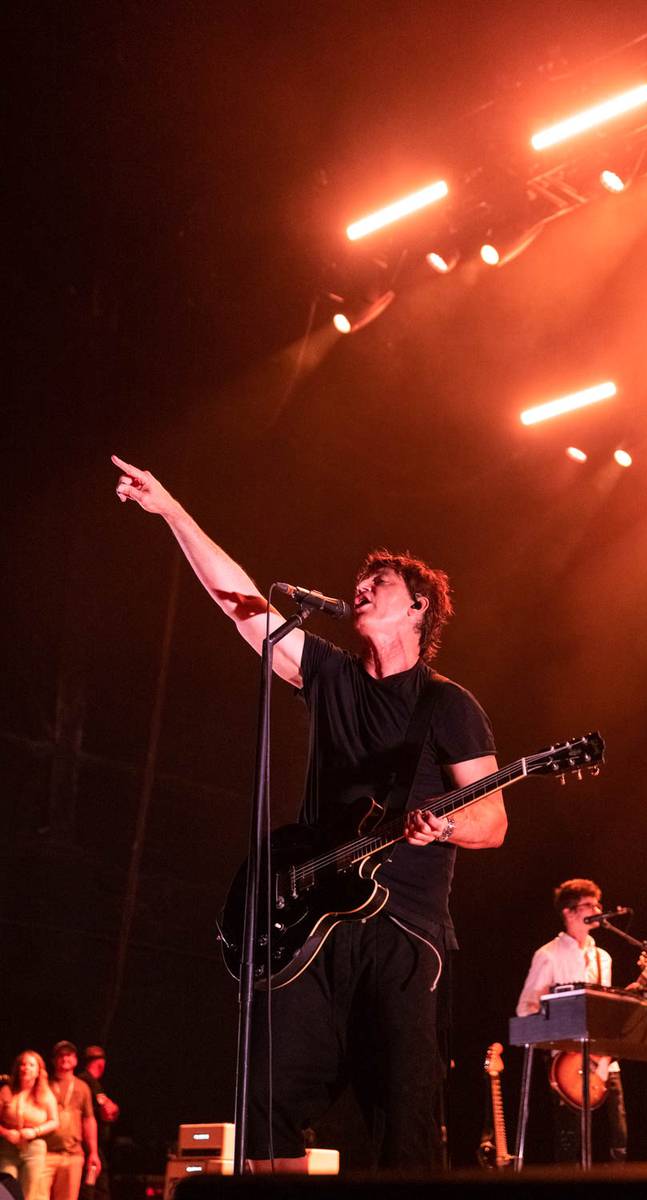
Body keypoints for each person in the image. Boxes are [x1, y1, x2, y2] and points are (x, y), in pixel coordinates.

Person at [111, 455, 507, 1173]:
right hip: (313, 930)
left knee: (405, 1123)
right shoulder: (329, 674)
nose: (358, 588)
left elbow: (494, 821)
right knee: (264, 1105)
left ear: (417, 607)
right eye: (359, 581)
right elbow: (241, 603)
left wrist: (443, 824)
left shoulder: (448, 705)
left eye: (377, 583)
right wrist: (170, 510)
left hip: (404, 937)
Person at [516, 879, 628, 1162]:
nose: (596, 909)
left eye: (597, 904)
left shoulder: (603, 958)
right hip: (568, 1064)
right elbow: (526, 1008)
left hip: (604, 1063)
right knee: (571, 1144)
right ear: (568, 912)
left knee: (617, 1138)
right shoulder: (548, 955)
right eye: (588, 905)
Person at [44, 1044, 100, 1200]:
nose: (65, 1058)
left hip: (72, 1154)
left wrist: (93, 1152)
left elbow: (89, 1120)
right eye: (60, 1055)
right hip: (45, 1154)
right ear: (54, 1060)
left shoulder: (82, 1087)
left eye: (69, 1055)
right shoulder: (44, 1085)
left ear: (75, 1060)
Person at [0, 1052, 58, 1200]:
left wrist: (35, 1131)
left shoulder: (46, 1094)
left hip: (34, 1148)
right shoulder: (7, 1091)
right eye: (23, 1064)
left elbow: (54, 1121)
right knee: (6, 1192)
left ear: (39, 1070)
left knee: (29, 1194)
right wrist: (6, 1133)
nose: (26, 1068)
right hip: (8, 1148)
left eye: (31, 1065)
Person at [77, 1049, 118, 1200]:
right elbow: (107, 1109)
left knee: (93, 1185)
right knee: (95, 1187)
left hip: (91, 1146)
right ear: (101, 1063)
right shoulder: (88, 1081)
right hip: (89, 1146)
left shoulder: (87, 1082)